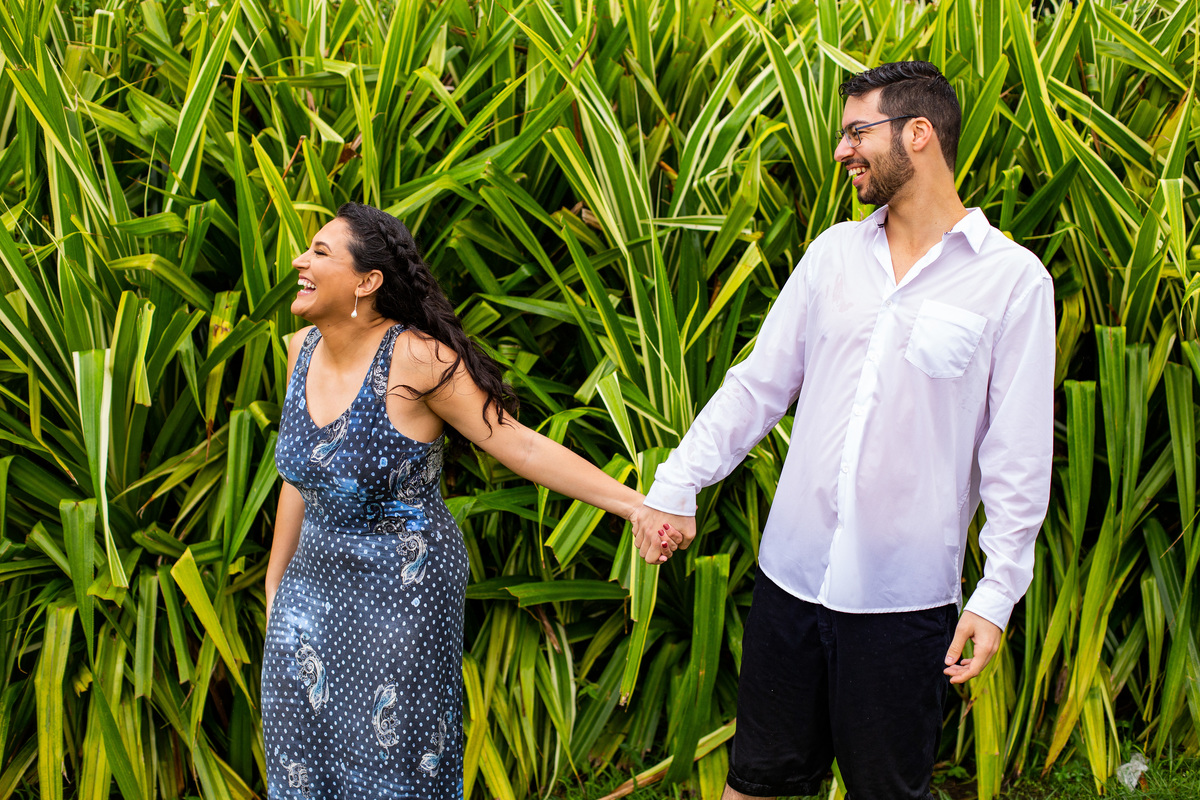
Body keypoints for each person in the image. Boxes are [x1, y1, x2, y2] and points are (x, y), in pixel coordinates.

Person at [632, 62, 1055, 800]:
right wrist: (676, 483)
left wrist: (995, 595)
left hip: (903, 603)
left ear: (918, 135)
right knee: (755, 783)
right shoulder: (832, 254)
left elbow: (1017, 456)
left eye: (858, 131)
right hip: (791, 583)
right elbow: (757, 387)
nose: (841, 151)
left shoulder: (1013, 281)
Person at [261, 202, 669, 798]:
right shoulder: (301, 348)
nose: (301, 259)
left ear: (367, 282)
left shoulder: (419, 358)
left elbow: (522, 449)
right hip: (310, 594)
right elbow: (301, 476)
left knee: (394, 768)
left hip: (401, 593)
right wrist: (276, 587)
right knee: (305, 761)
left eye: (320, 252)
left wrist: (638, 505)